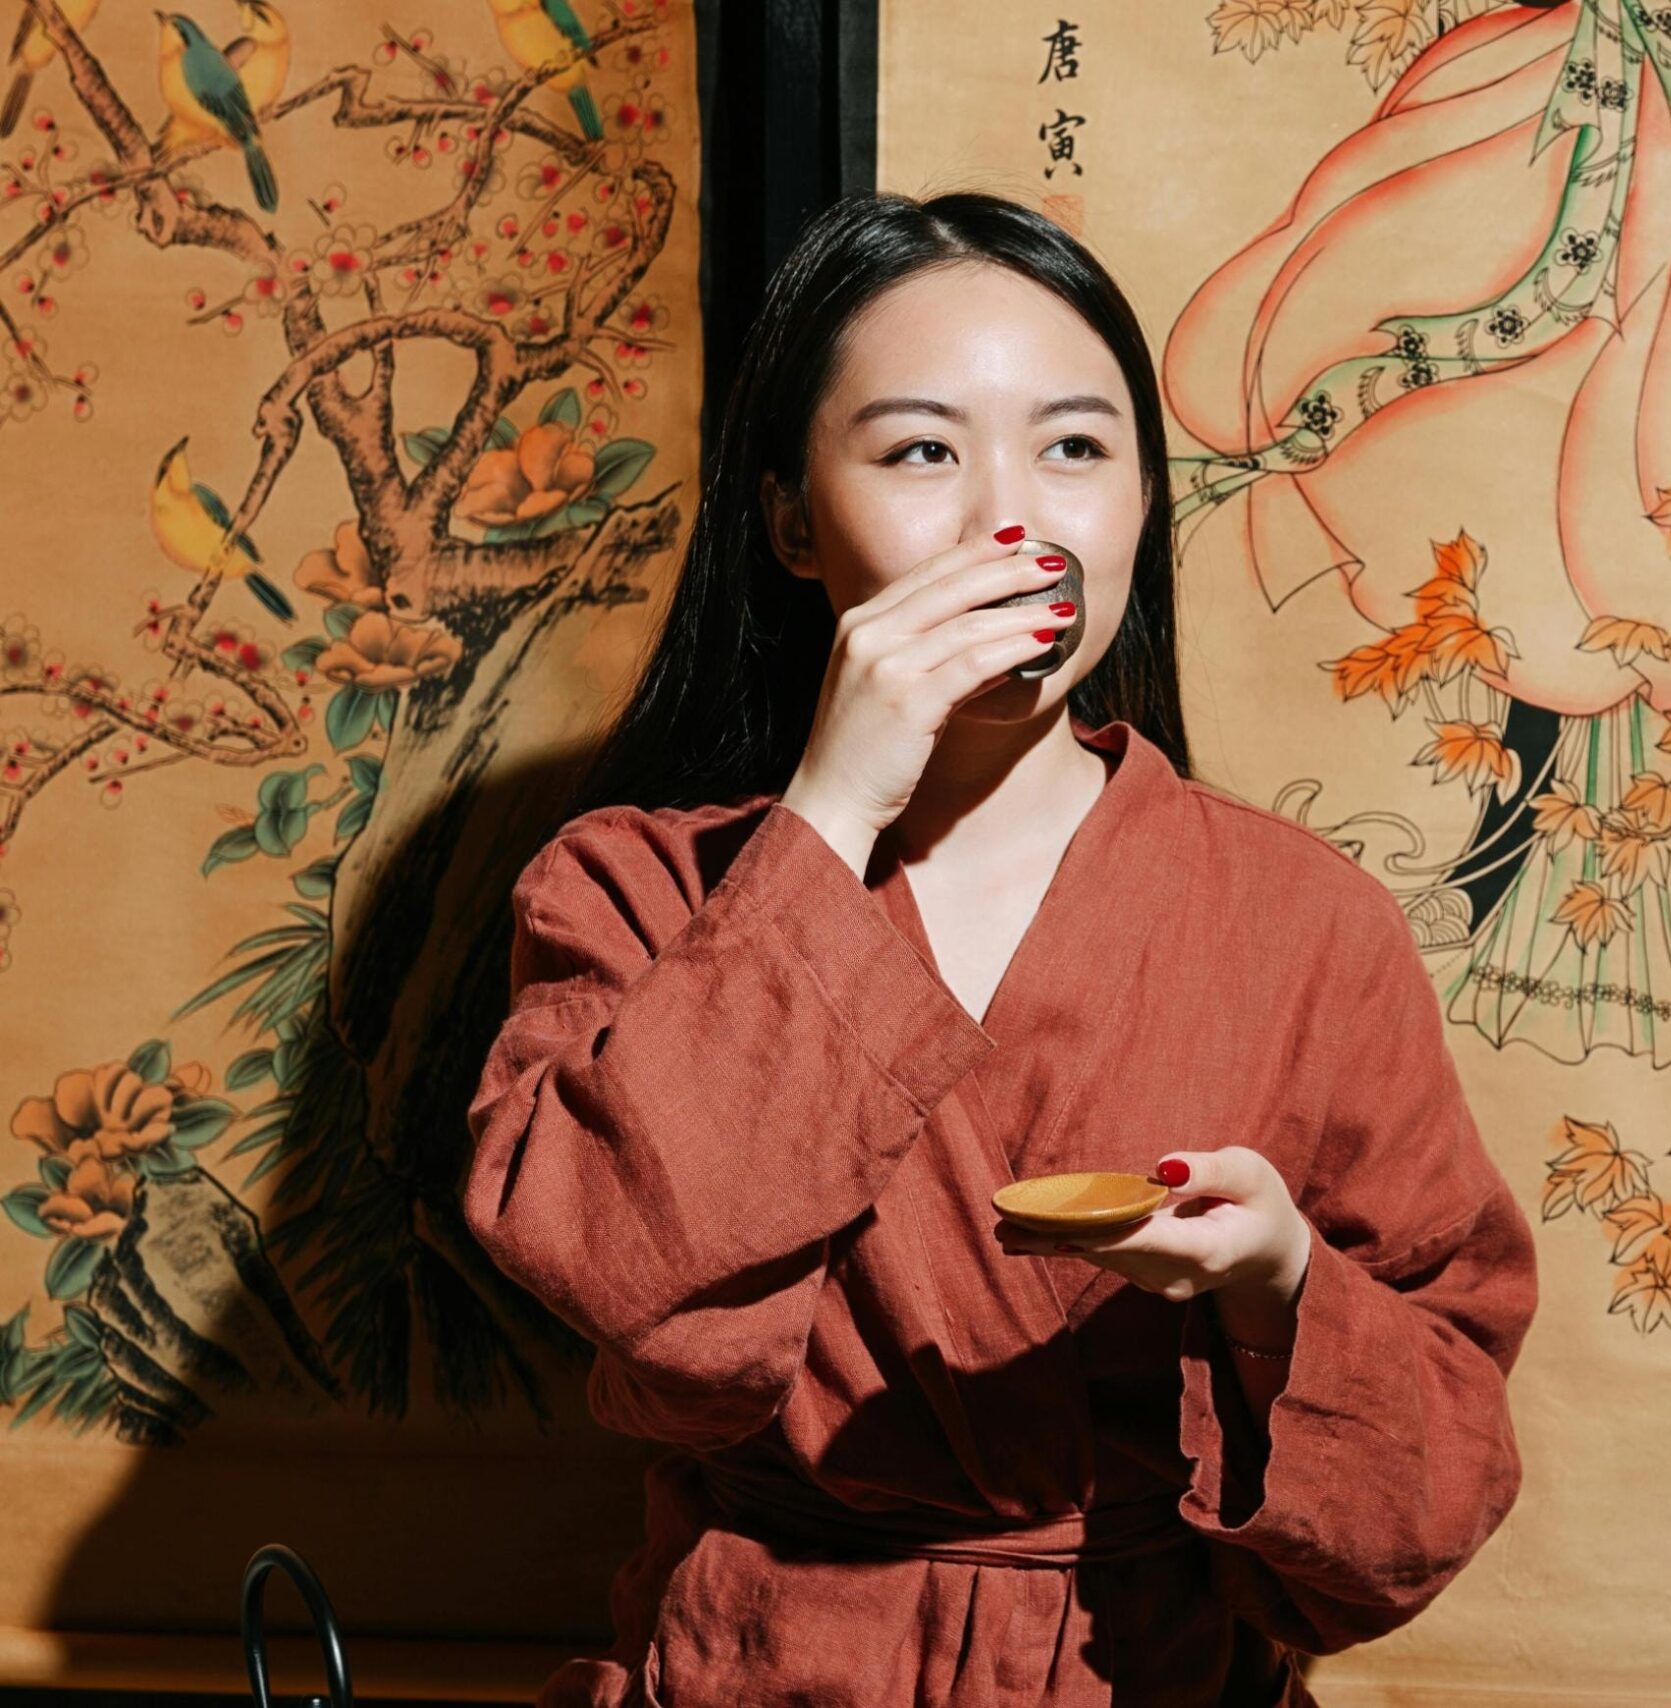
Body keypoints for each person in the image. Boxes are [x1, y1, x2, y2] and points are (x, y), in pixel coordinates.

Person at [462, 190, 1539, 1707]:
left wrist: (1277, 1282)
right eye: (921, 452)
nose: (1008, 524)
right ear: (789, 520)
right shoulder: (628, 888)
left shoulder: (1309, 923)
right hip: (767, 1668)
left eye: (1076, 448)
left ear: (1145, 503)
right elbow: (628, 1283)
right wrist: (833, 806)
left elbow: (1434, 1477)